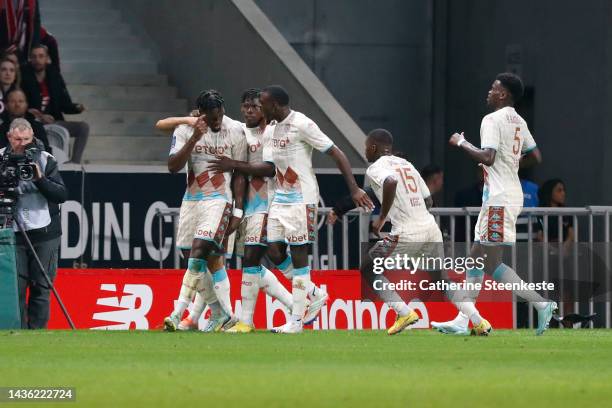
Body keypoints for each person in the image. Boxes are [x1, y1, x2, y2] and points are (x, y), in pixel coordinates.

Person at [209, 85, 372, 333]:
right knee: (274, 251)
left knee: (299, 259)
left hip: (301, 199)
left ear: (274, 105)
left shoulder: (302, 124)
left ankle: (296, 322)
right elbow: (271, 166)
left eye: (262, 105)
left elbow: (336, 153)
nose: (259, 110)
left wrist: (354, 189)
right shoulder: (272, 129)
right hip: (279, 199)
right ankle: (315, 293)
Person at [439, 72, 556, 336]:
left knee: (489, 263)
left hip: (499, 199)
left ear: (503, 94)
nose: (489, 92)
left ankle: (541, 303)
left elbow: (488, 157)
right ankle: (462, 320)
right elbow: (535, 155)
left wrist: (461, 142)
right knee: (475, 260)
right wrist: (510, 164)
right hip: (503, 194)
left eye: (493, 88)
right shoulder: (519, 120)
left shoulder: (492, 119)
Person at [329, 129, 444, 335]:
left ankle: (403, 312)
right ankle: (476, 320)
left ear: (373, 147)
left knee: (367, 267)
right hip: (430, 228)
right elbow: (428, 200)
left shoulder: (376, 168)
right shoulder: (407, 164)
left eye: (366, 148)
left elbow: (390, 183)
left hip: (406, 233)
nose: (365, 152)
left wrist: (382, 218)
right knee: (439, 279)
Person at [162, 90, 247, 332]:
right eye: (212, 118)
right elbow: (172, 167)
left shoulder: (235, 130)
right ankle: (222, 313)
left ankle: (178, 313)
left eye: (220, 115)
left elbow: (240, 172)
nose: (217, 121)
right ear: (201, 115)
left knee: (200, 250)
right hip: (192, 199)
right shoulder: (186, 130)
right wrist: (194, 139)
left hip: (219, 199)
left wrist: (238, 211)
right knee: (194, 256)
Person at [0, 118, 67, 328]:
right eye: (18, 139)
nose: (22, 143)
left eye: (26, 139)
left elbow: (61, 195)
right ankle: (17, 333)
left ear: (33, 137)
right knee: (15, 288)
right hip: (13, 231)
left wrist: (40, 179)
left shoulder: (45, 159)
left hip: (44, 231)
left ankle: (37, 333)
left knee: (41, 286)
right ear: (10, 137)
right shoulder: (1, 158)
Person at [20, 45, 88, 163]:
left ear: (47, 58)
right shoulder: (24, 76)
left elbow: (64, 103)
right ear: (30, 59)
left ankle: (74, 163)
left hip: (55, 121)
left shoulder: (54, 76)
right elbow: (19, 104)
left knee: (83, 128)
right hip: (31, 123)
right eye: (34, 57)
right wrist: (39, 116)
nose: (38, 60)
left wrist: (76, 108)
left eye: (41, 56)